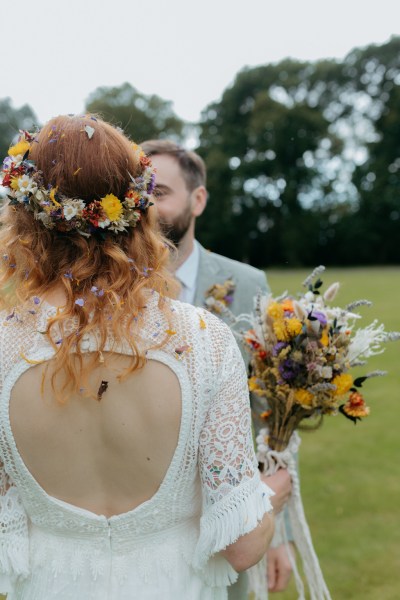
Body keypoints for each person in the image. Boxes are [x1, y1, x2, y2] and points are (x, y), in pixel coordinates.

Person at [0, 115, 286, 599]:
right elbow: (241, 545)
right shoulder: (203, 341)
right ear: (138, 211)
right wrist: (274, 491)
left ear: (24, 219)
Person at [141, 139, 295, 597]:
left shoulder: (248, 284)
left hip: (230, 519)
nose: (147, 206)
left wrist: (275, 533)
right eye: (139, 192)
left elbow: (270, 413)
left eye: (161, 192)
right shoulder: (111, 289)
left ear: (199, 199)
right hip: (140, 520)